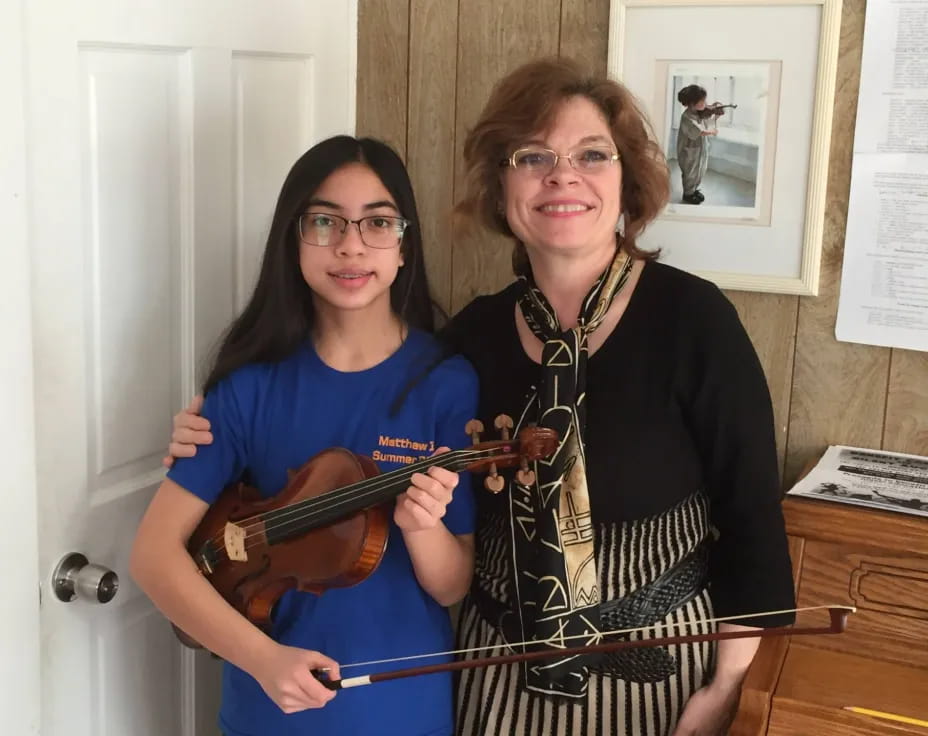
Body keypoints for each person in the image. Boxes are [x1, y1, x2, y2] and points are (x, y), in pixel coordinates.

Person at [164, 58, 797, 736]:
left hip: (655, 676)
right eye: (532, 157)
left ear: (627, 180)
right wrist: (209, 433)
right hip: (493, 676)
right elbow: (365, 402)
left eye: (591, 155)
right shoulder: (469, 341)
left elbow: (750, 511)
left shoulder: (694, 321)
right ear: (502, 188)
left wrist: (728, 685)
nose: (562, 176)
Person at [130, 135, 478, 736]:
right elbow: (153, 556)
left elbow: (452, 585)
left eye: (377, 223)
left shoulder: (446, 383)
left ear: (404, 245)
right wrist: (261, 659)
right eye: (325, 221)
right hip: (268, 709)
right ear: (294, 240)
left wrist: (421, 527)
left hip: (402, 708)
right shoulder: (247, 386)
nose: (349, 245)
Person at [676, 84, 720, 205]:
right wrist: (712, 131)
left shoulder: (699, 113)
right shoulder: (686, 117)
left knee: (700, 170)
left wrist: (715, 115)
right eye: (702, 101)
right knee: (691, 172)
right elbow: (700, 131)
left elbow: (707, 121)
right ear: (691, 103)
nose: (705, 104)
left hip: (700, 150)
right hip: (689, 151)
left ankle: (694, 190)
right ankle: (688, 194)